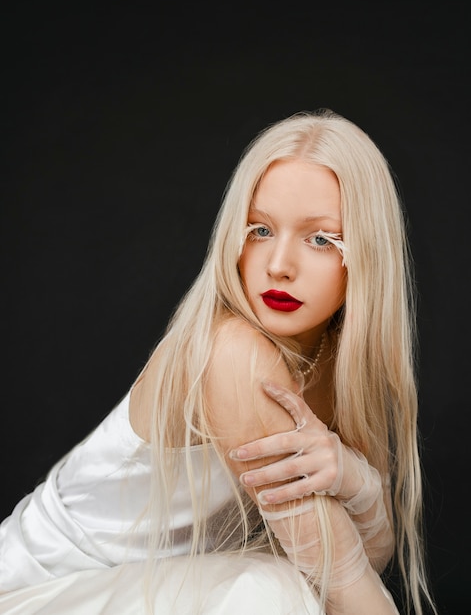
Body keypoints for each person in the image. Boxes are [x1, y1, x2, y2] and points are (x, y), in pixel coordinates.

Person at [0, 109, 437, 615]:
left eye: (320, 239)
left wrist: (355, 478)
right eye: (259, 230)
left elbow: (366, 563)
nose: (278, 265)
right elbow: (344, 581)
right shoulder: (232, 354)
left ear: (366, 254)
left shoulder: (336, 362)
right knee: (269, 590)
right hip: (32, 592)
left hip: (146, 590)